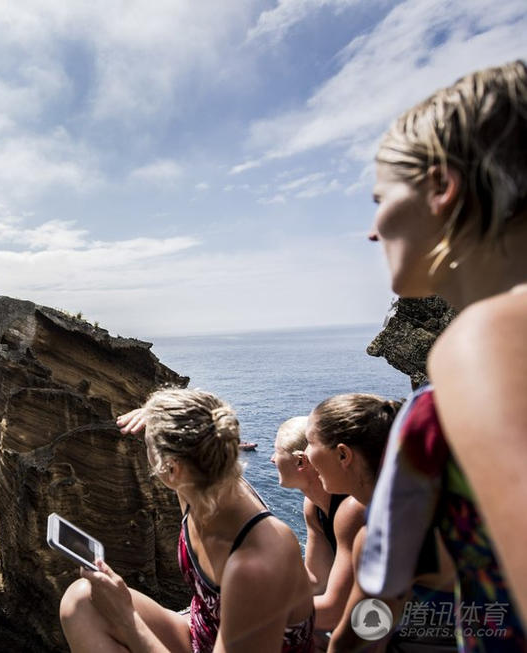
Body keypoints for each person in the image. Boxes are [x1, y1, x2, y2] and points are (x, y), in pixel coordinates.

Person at [352, 60, 527, 652]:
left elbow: (376, 609)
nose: (373, 230)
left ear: (440, 187)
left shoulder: (486, 341)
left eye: (380, 199)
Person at [61, 388, 315, 652]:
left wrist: (126, 618)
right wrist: (158, 414)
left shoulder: (255, 562)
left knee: (103, 609)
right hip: (204, 631)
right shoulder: (200, 482)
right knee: (81, 600)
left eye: (148, 447)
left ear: (172, 469)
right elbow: (205, 424)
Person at [270, 416, 366, 635]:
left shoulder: (352, 508)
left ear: (300, 461)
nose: (272, 459)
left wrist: (256, 611)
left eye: (277, 451)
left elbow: (334, 611)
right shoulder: (313, 506)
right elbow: (316, 580)